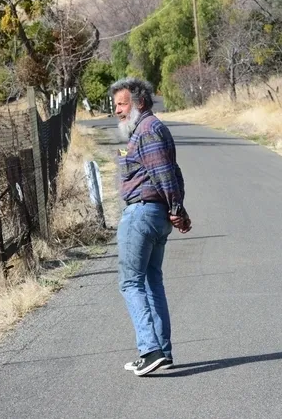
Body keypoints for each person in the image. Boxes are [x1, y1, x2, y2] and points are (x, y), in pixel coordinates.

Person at [109, 77, 192, 377]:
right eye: (115, 105)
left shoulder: (147, 130)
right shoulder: (151, 129)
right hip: (155, 216)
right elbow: (172, 172)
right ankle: (162, 352)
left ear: (139, 102)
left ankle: (150, 349)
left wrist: (176, 208)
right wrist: (176, 209)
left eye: (122, 104)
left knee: (130, 282)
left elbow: (164, 175)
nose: (117, 110)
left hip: (142, 214)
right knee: (151, 281)